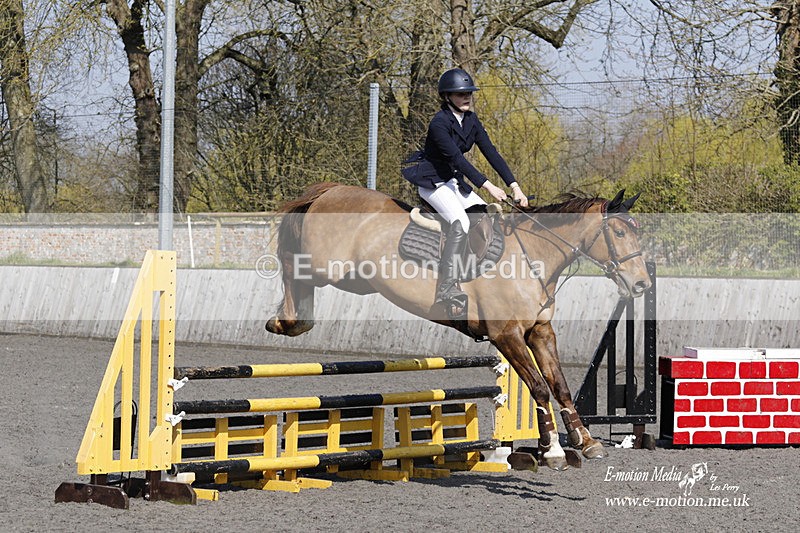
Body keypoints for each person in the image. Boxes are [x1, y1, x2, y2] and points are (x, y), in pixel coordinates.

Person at [402, 67, 529, 318]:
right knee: (459, 222)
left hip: (453, 181)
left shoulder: (471, 120)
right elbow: (457, 159)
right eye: (461, 94)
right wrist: (488, 186)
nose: (467, 97)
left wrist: (514, 185)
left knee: (484, 215)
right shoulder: (439, 123)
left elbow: (491, 152)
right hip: (433, 182)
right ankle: (446, 288)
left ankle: (475, 274)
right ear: (447, 96)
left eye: (469, 93)